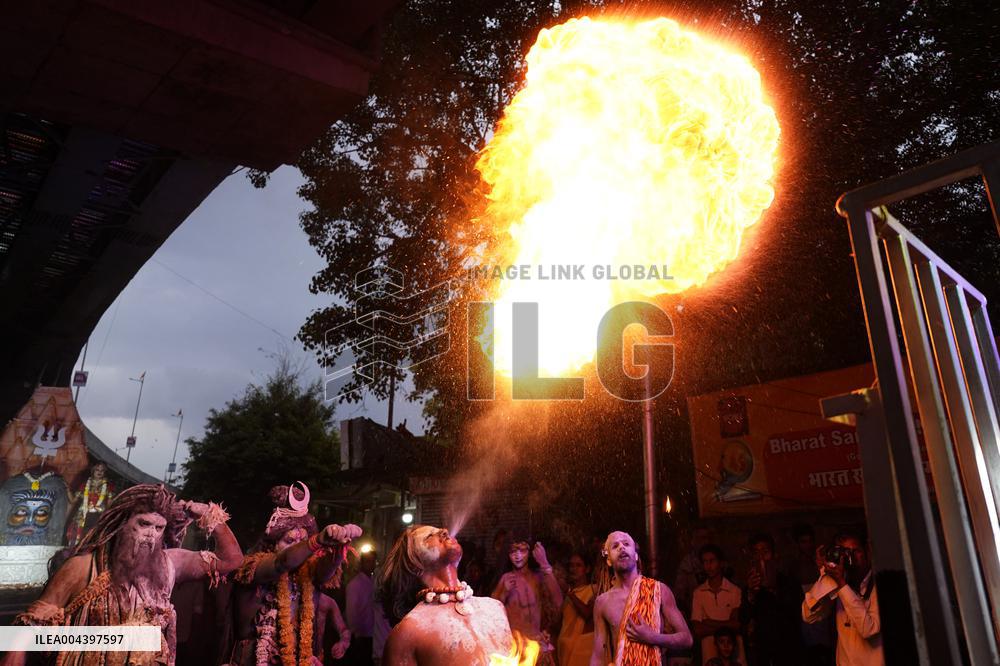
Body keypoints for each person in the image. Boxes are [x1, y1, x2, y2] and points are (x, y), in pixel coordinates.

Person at [3, 483, 241, 666]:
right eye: (144, 524)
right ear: (122, 524)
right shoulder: (84, 567)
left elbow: (231, 561)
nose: (151, 535)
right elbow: (33, 621)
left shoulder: (169, 565)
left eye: (159, 528)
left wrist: (208, 514)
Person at [228, 483, 360, 666]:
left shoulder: (305, 577)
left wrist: (339, 547)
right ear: (270, 543)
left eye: (302, 540)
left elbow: (324, 573)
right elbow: (282, 562)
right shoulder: (254, 568)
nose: (298, 545)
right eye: (289, 540)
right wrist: (316, 541)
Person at [379, 524, 513, 665]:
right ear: (414, 564)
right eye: (429, 536)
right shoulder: (408, 633)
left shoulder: (495, 608)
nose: (445, 531)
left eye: (441, 530)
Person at [590, 530, 692, 666]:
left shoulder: (659, 590)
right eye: (615, 546)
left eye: (626, 544)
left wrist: (652, 637)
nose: (621, 547)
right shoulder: (602, 602)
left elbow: (687, 639)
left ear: (636, 556)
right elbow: (597, 655)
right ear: (608, 560)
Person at [802, 530, 883, 666]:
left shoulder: (879, 585)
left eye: (855, 551)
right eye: (844, 553)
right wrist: (826, 575)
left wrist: (842, 584)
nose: (850, 557)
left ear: (867, 552)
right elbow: (808, 615)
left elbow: (869, 629)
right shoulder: (838, 585)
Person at [492, 535, 564, 662]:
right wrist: (504, 593)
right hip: (516, 647)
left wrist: (544, 563)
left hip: (538, 644)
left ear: (530, 552)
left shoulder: (538, 577)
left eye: (522, 550)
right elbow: (491, 612)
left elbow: (558, 600)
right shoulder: (506, 578)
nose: (517, 555)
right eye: (513, 551)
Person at [740, 533, 800, 666]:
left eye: (765, 552)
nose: (761, 558)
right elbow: (743, 618)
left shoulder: (789, 583)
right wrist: (751, 594)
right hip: (763, 654)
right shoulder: (750, 588)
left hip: (789, 652)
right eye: (756, 553)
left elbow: (797, 614)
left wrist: (772, 589)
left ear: (774, 555)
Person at [786, 524, 834, 666]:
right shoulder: (794, 567)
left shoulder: (821, 563)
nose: (807, 545)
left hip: (824, 619)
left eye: (809, 541)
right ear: (797, 544)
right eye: (803, 541)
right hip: (806, 618)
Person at [690, 545, 745, 665]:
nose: (708, 566)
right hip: (709, 654)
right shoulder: (698, 593)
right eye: (704, 562)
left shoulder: (734, 591)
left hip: (734, 656)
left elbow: (736, 625)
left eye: (712, 561)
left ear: (720, 563)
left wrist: (708, 622)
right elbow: (698, 629)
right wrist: (726, 626)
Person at [557, 552, 596, 666]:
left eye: (578, 565)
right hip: (565, 650)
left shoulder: (593, 589)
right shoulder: (569, 593)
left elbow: (587, 613)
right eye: (571, 565)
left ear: (587, 569)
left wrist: (569, 593)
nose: (573, 569)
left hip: (582, 652)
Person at [65, 462, 114, 547]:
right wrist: (67, 489)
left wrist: (106, 517)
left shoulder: (108, 486)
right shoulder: (84, 485)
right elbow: (73, 501)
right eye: (97, 470)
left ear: (105, 472)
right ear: (93, 471)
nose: (99, 472)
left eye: (102, 470)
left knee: (92, 539)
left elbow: (110, 505)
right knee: (75, 540)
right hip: (82, 516)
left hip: (97, 516)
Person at [344, 549, 378, 665]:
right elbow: (351, 612)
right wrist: (355, 632)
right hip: (360, 635)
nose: (372, 564)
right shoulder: (355, 584)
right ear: (362, 564)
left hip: (373, 633)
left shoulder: (374, 581)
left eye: (373, 561)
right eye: (368, 561)